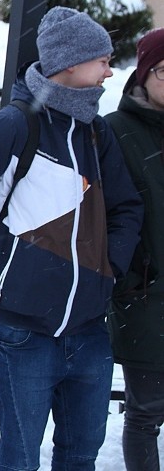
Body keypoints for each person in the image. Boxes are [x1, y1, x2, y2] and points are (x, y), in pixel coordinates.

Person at [0, 6, 144, 470]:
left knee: (81, 457)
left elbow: (126, 208)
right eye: (102, 59)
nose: (110, 69)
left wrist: (110, 270)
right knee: (20, 459)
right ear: (69, 65)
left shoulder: (95, 131)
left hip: (89, 331)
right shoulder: (13, 125)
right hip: (24, 332)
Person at [104, 27, 164, 471]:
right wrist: (127, 277)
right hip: (145, 299)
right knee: (145, 414)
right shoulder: (116, 131)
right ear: (143, 75)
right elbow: (104, 215)